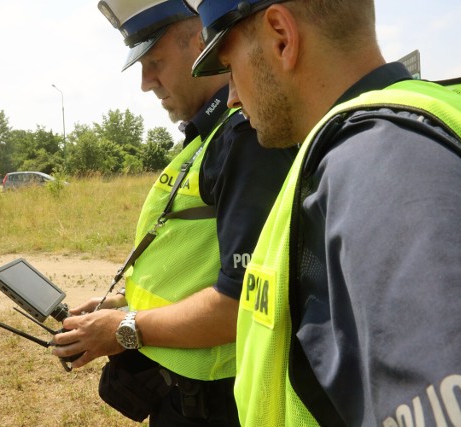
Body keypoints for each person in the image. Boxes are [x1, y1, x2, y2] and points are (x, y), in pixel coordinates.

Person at [186, 1, 461, 426]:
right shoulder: (434, 114)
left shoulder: (385, 158)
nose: (233, 97)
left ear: (281, 36)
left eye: (230, 67)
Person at [51, 1, 297, 426]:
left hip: (216, 403)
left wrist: (122, 327)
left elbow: (242, 301)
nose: (147, 83)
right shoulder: (208, 137)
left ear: (202, 43)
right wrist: (124, 302)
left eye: (155, 61)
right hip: (184, 395)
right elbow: (197, 264)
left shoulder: (243, 137)